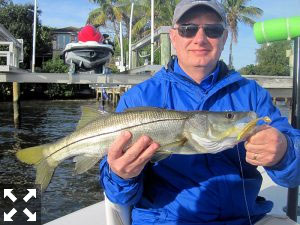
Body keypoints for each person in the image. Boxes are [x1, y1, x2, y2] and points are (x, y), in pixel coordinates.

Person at [100, 0, 300, 224]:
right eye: (188, 29)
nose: (200, 38)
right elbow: (119, 195)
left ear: (224, 38)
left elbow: (295, 174)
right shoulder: (138, 99)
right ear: (174, 37)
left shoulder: (252, 94)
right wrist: (121, 175)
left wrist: (284, 151)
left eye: (212, 30)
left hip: (245, 219)